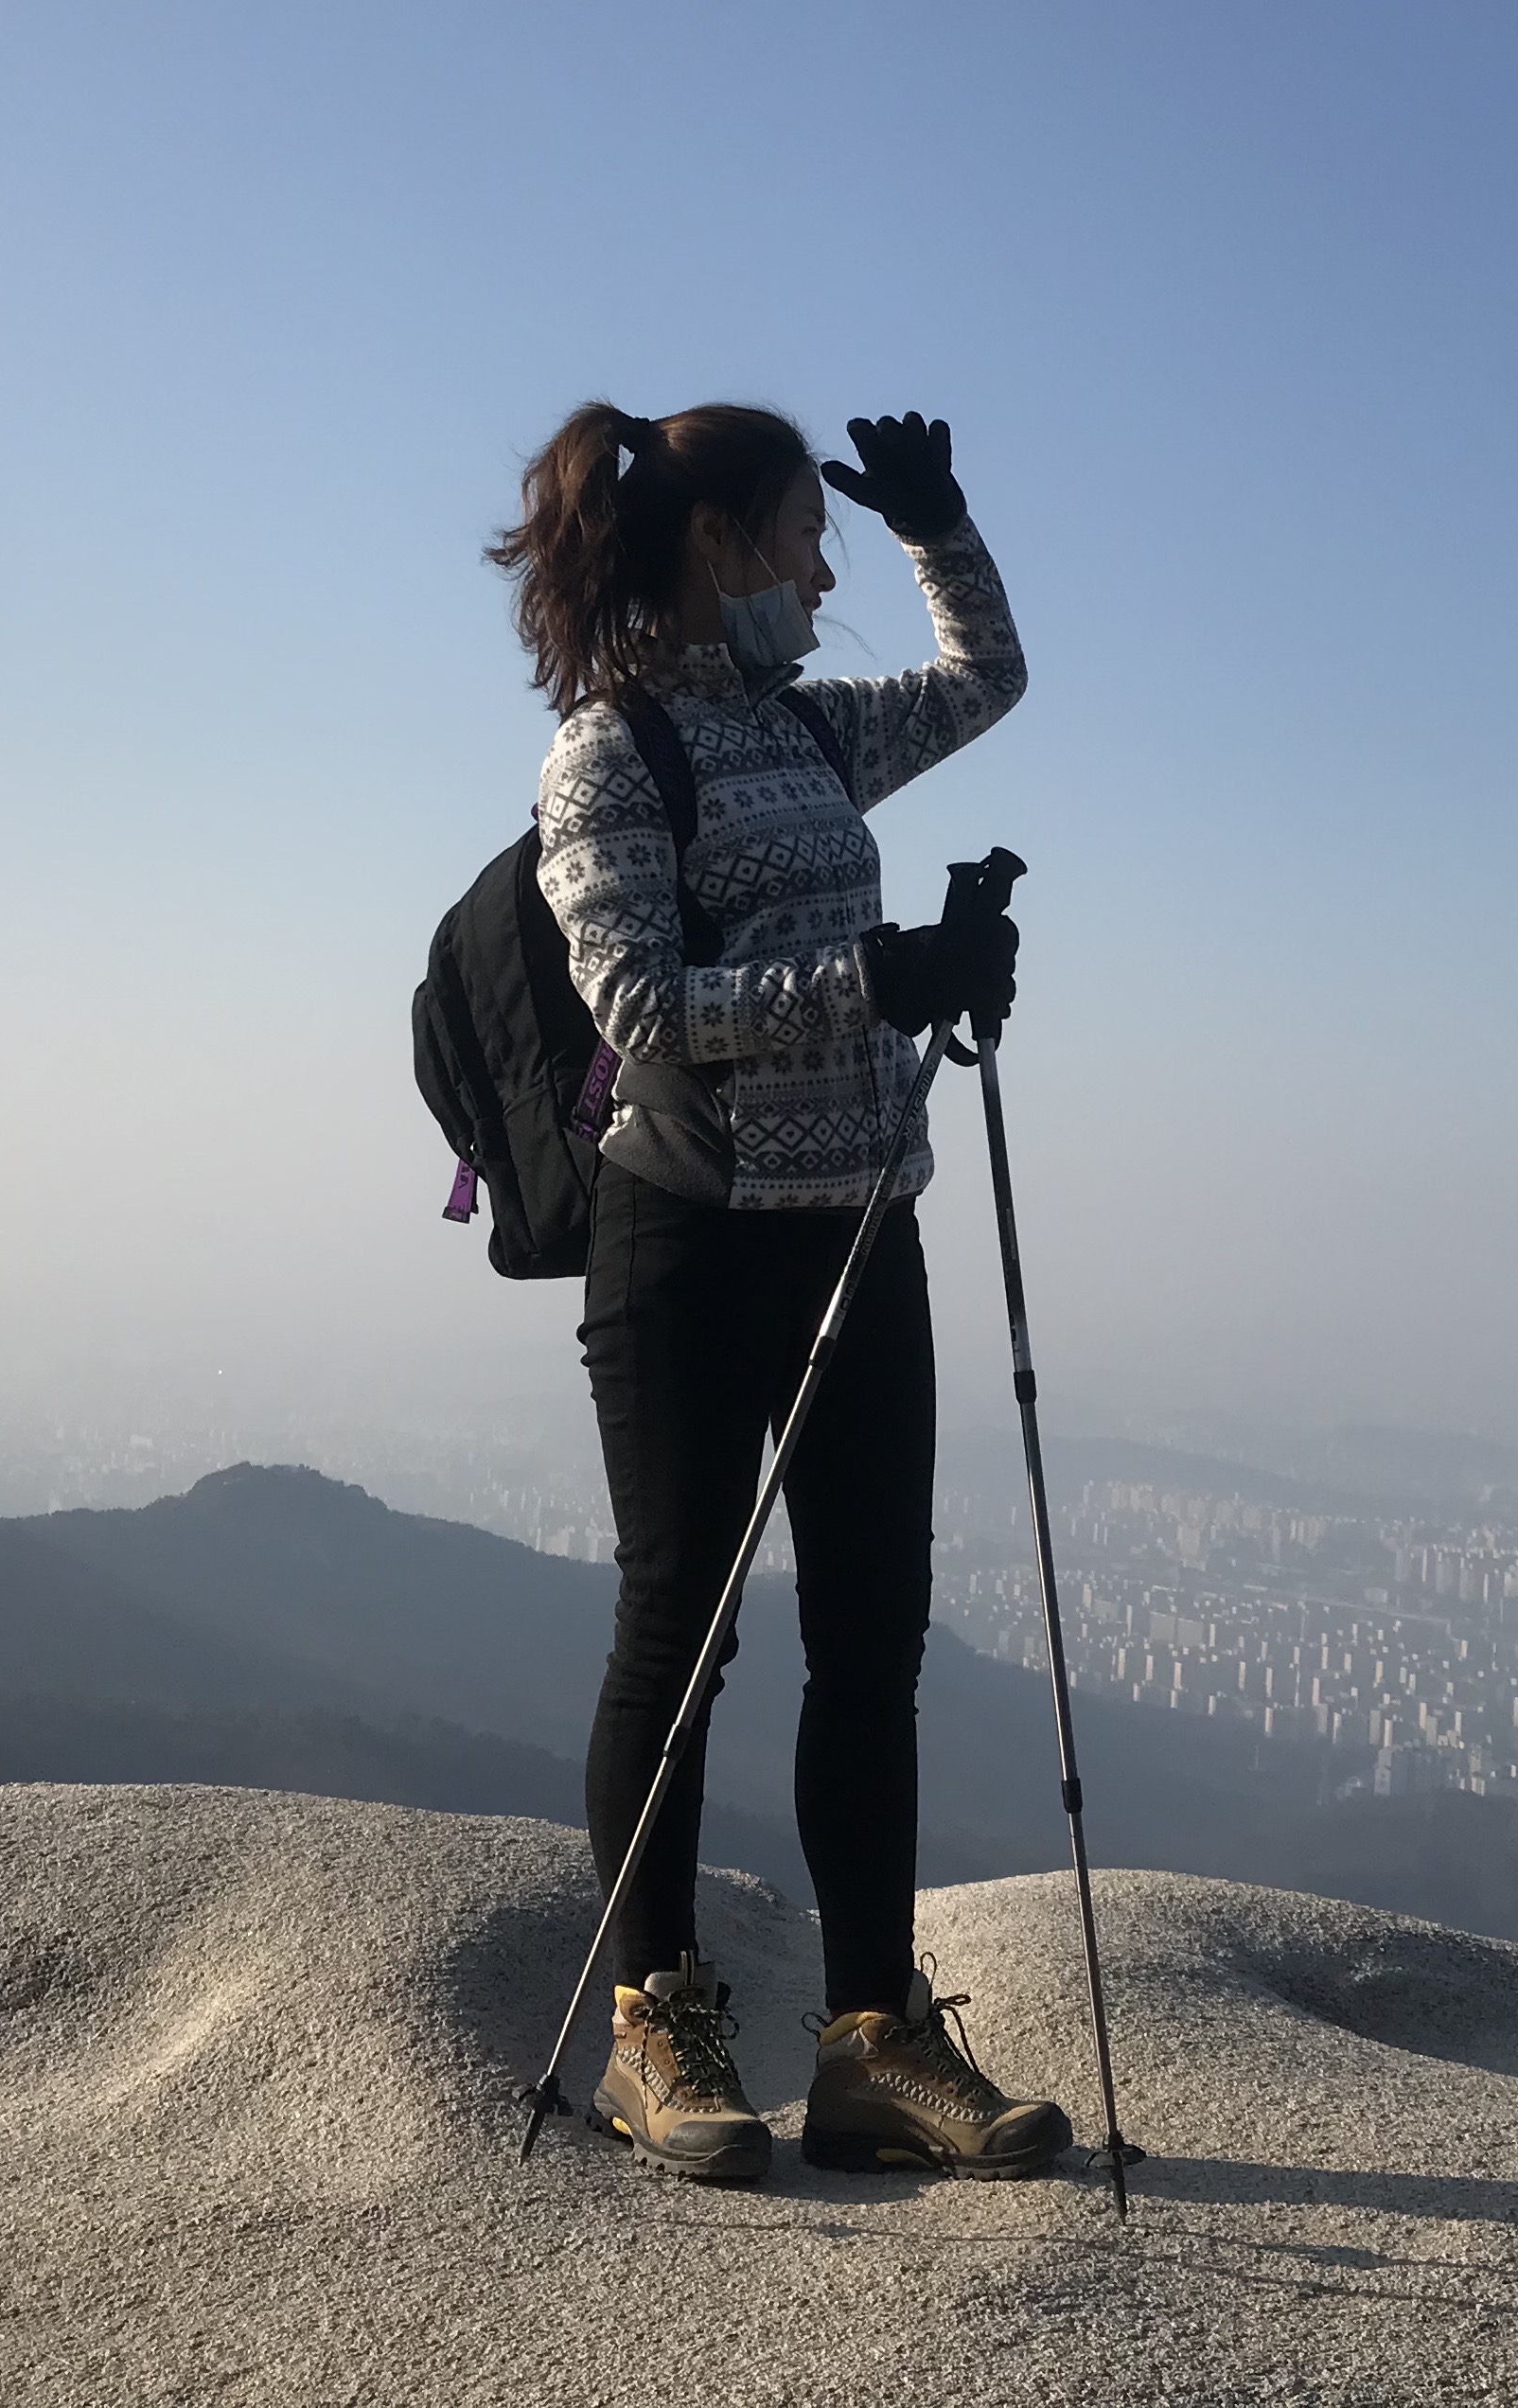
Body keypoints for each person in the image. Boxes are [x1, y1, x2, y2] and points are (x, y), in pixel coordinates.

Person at [488, 399, 1066, 2185]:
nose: (827, 577)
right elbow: (642, 1012)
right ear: (715, 544)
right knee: (683, 1634)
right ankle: (656, 2033)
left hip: (861, 1228)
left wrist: (938, 527)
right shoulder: (608, 759)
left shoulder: (810, 737)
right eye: (806, 539)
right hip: (691, 1237)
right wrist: (878, 976)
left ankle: (870, 2041)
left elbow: (989, 679)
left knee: (871, 1640)